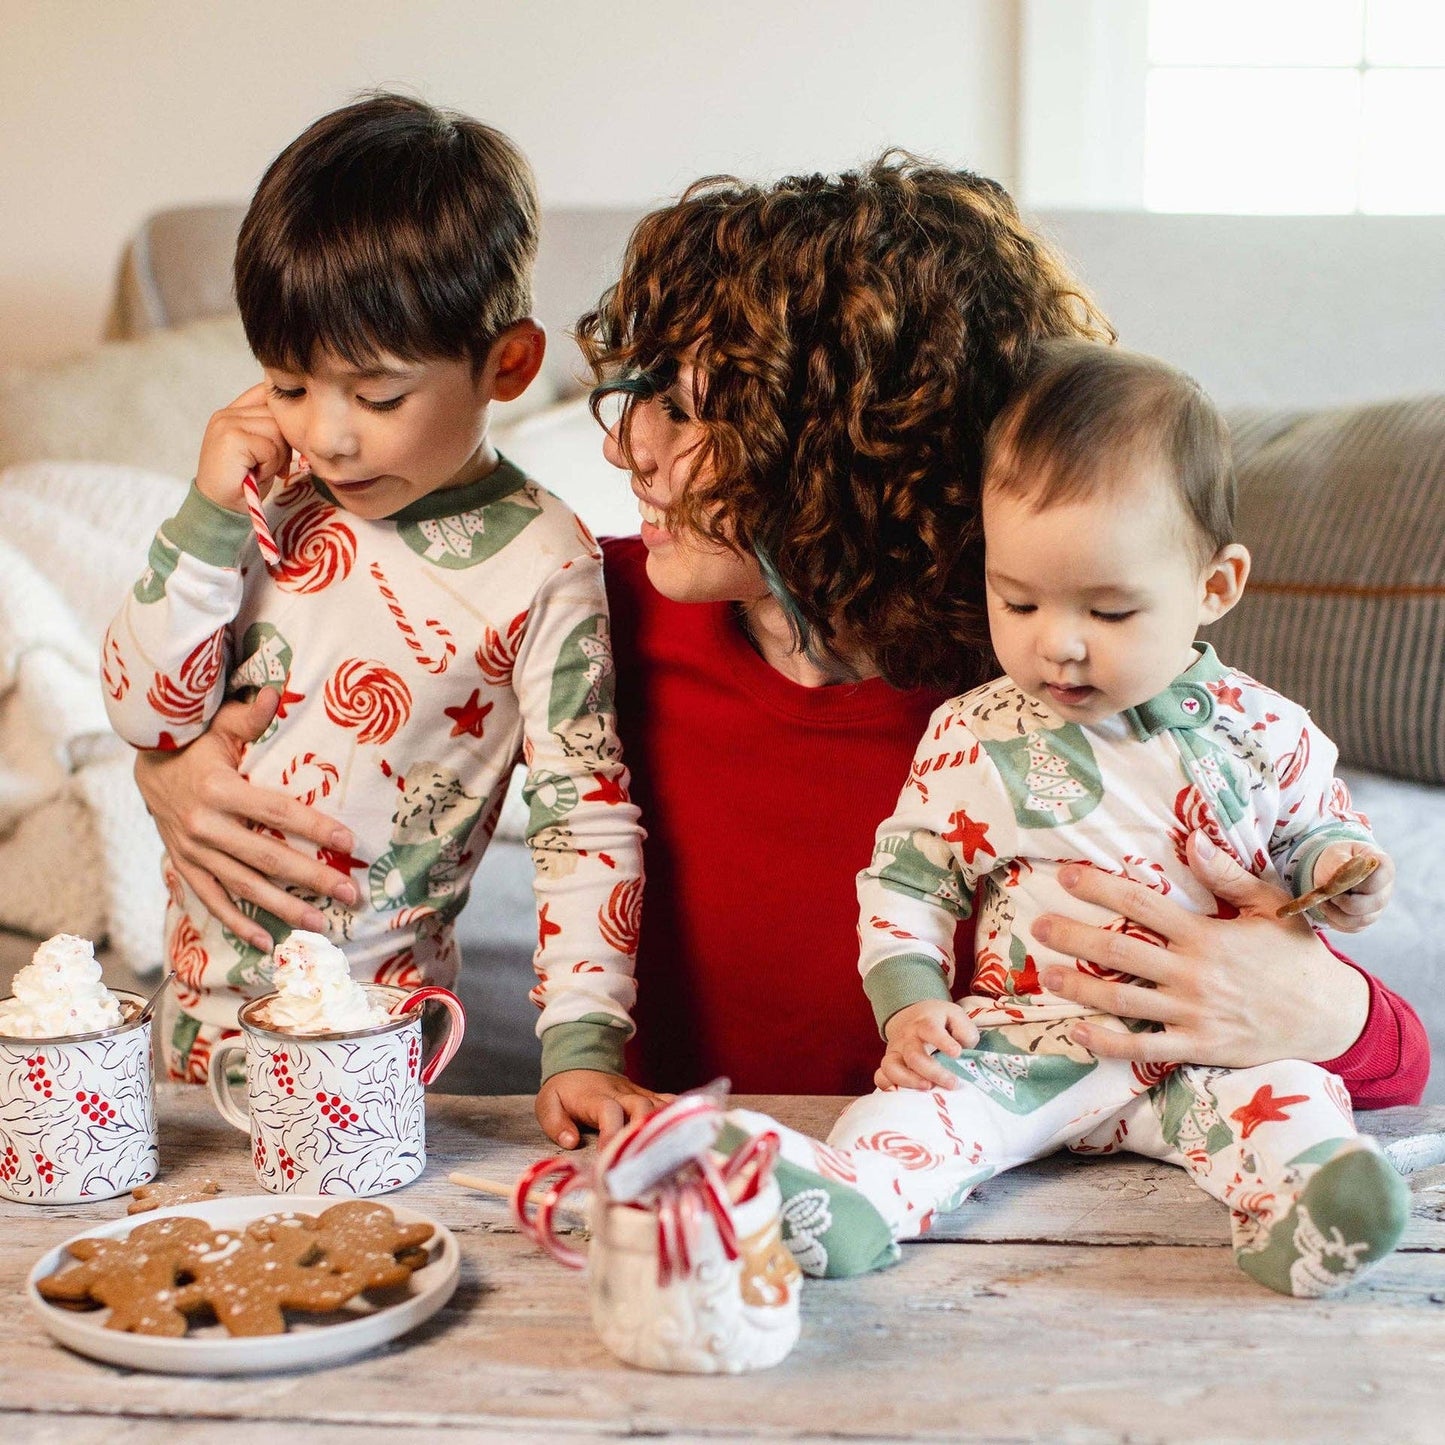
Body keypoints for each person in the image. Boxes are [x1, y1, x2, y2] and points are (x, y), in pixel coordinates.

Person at [130, 155, 1429, 1134]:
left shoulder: (1050, 679)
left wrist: (1320, 1010)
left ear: (842, 448)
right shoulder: (594, 609)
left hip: (979, 1198)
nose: (620, 444)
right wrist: (168, 772)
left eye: (687, 412)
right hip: (691, 1193)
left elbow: (1395, 1057)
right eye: (630, 394)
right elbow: (302, 678)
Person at [724, 340, 1409, 1297]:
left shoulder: (1266, 731)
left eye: (1111, 610)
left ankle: (1307, 1211)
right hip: (1029, 1041)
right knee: (924, 1107)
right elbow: (909, 879)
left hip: (1207, 1046)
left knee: (1292, 1101)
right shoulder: (975, 733)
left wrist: (1344, 870)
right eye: (1020, 598)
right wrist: (911, 1001)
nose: (1060, 642)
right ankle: (851, 1195)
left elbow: (1312, 837)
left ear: (1214, 587)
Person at [102, 95, 653, 1146]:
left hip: (368, 1049)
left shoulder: (545, 563)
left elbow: (584, 819)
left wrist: (582, 1046)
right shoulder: (269, 494)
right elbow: (143, 713)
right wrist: (206, 516)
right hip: (184, 1047)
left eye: (378, 393)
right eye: (290, 384)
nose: (331, 435)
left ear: (508, 364)